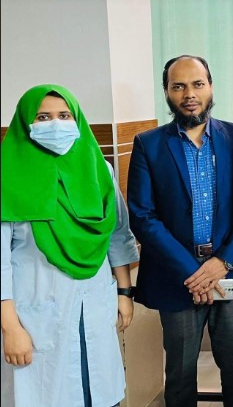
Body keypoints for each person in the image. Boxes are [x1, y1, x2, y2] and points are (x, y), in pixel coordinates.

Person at [127, 55, 233, 407]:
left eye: (198, 84)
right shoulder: (148, 144)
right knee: (180, 376)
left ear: (210, 87)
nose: (189, 94)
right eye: (179, 86)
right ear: (167, 92)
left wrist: (222, 263)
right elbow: (142, 216)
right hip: (177, 277)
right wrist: (194, 273)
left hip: (230, 273)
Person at [1, 84, 139, 406]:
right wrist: (10, 327)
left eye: (64, 116)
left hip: (95, 302)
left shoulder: (99, 169)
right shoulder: (7, 176)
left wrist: (124, 292)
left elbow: (116, 234)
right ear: (25, 122)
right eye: (43, 117)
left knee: (99, 392)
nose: (55, 124)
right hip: (35, 316)